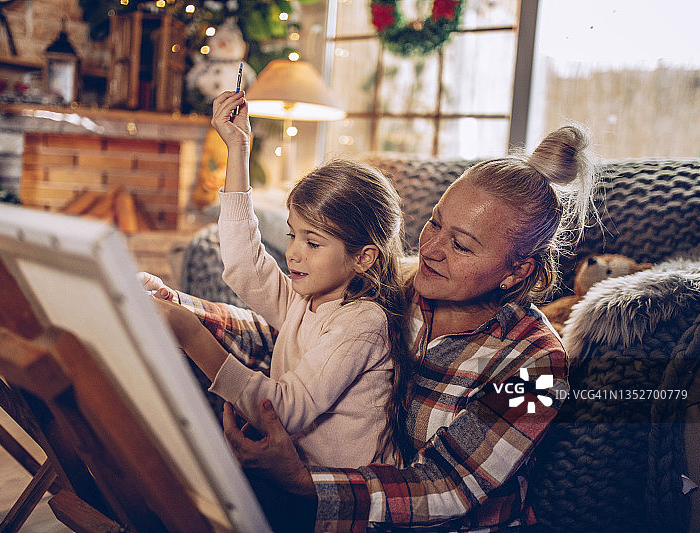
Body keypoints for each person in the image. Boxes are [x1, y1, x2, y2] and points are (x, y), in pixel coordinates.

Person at [145, 123, 598, 531]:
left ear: (517, 272)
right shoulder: (398, 284)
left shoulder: (539, 366)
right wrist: (174, 308)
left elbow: (446, 489)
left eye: (460, 245)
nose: (432, 249)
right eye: (434, 223)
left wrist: (303, 482)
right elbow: (295, 331)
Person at [150, 89, 413, 469]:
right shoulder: (306, 298)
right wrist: (238, 148)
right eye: (293, 235)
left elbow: (284, 410)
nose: (293, 252)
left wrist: (190, 333)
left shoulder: (361, 323)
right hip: (300, 470)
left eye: (313, 242)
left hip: (341, 501)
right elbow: (243, 265)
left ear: (363, 257)